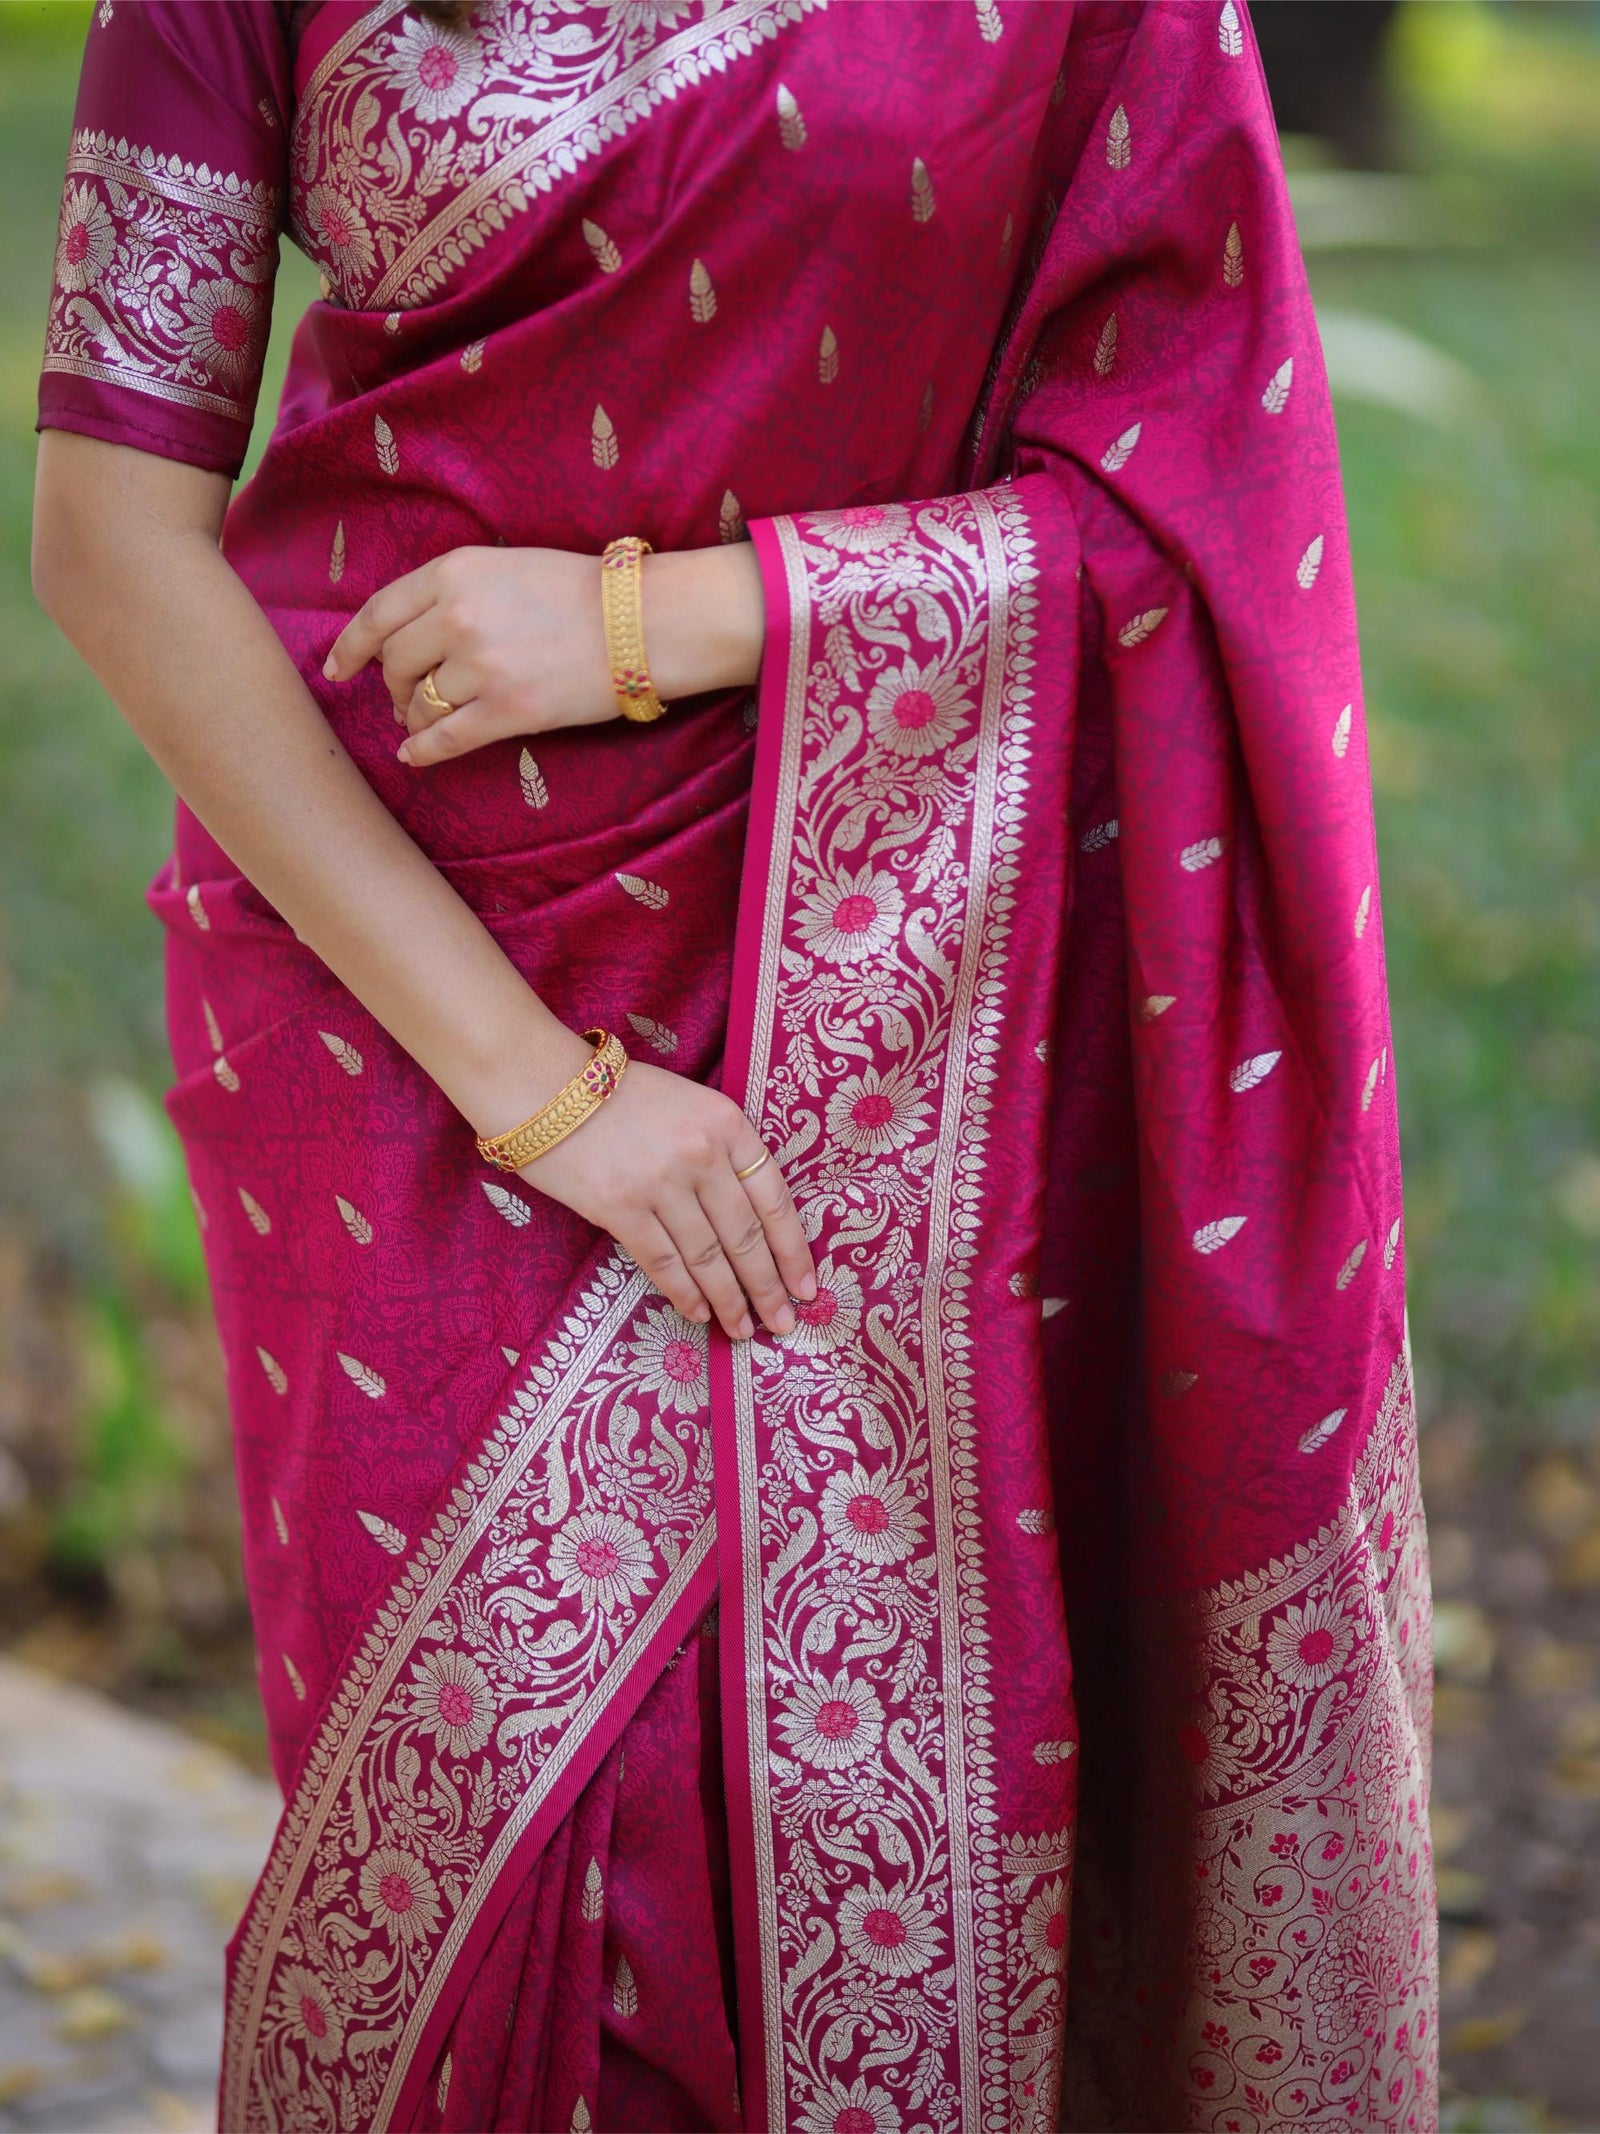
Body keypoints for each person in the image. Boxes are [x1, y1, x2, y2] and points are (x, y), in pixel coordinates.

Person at [31, 2, 1438, 2128]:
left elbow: (1199, 496)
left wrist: (683, 616)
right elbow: (110, 530)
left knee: (877, 1786)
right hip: (388, 957)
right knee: (500, 1821)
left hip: (926, 940)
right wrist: (545, 1088)